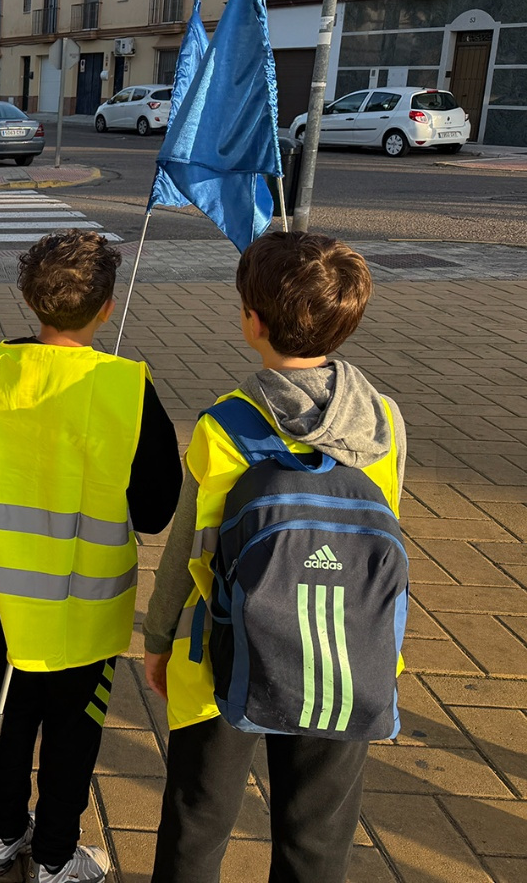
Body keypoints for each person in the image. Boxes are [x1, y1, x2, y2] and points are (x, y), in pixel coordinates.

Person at [0, 231, 182, 883]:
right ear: (107, 308)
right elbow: (155, 507)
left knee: (9, 714)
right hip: (88, 611)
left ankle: (4, 835)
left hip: (9, 593)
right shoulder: (125, 388)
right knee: (73, 737)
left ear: (30, 297)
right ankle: (57, 858)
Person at [142, 232, 406, 883]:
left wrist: (158, 638)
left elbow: (190, 547)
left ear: (251, 322)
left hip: (226, 658)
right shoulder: (385, 421)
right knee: (317, 839)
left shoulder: (227, 426)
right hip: (348, 652)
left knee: (197, 823)